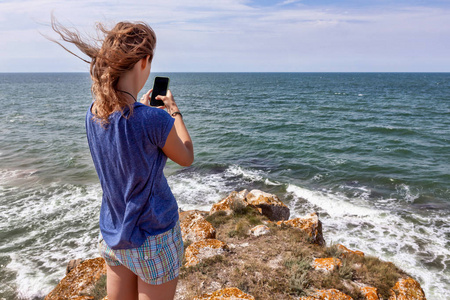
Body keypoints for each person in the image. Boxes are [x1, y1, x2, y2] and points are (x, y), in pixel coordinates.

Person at [50, 17, 194, 300]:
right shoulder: (153, 119)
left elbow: (125, 143)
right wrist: (174, 112)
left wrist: (140, 108)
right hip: (154, 237)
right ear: (144, 61)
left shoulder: (94, 113)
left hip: (114, 234)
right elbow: (186, 156)